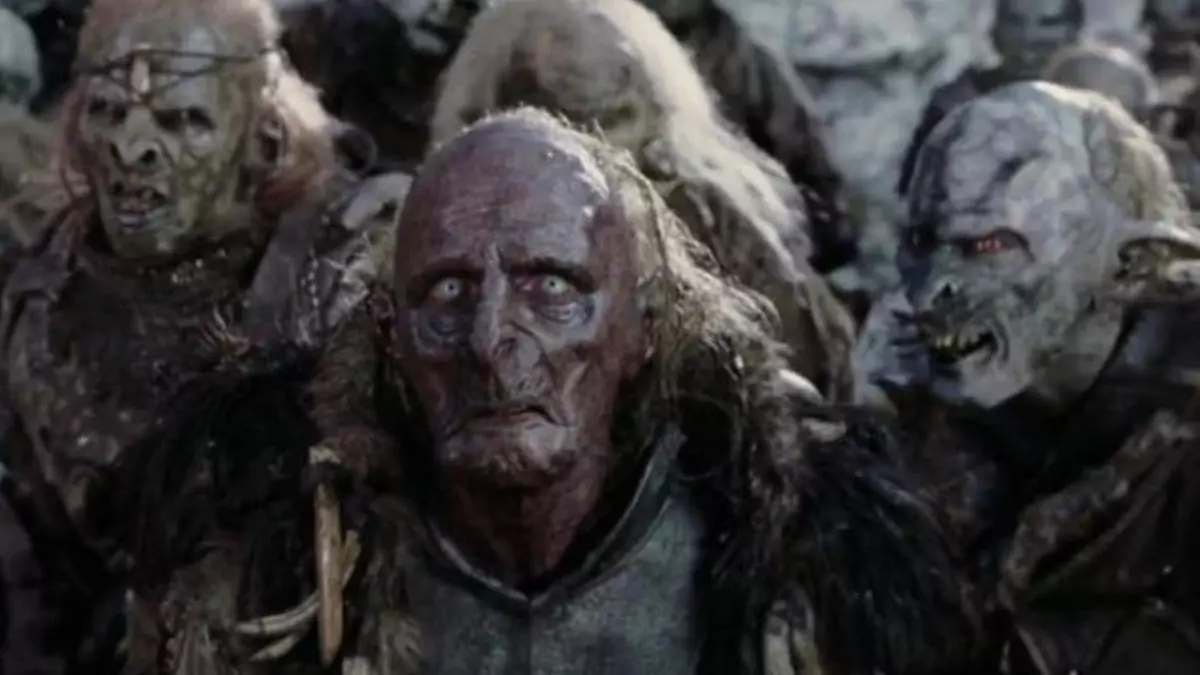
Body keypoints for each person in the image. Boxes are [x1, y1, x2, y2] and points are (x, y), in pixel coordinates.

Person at [0, 0, 404, 670]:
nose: (132, 147)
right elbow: (32, 564)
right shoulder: (40, 297)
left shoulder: (342, 277)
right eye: (107, 112)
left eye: (183, 119)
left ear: (262, 136)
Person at [859, 81, 1200, 674]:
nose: (930, 290)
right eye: (922, 241)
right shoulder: (917, 403)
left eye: (989, 244)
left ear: (1131, 264)